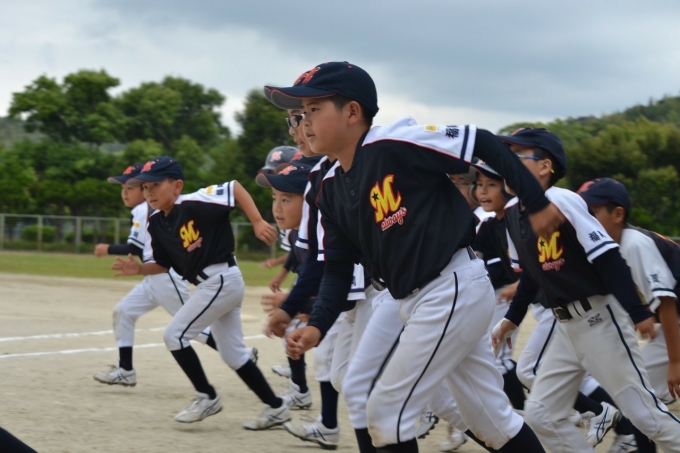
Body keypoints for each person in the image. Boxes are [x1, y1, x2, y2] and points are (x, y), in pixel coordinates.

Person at [264, 61, 562, 452]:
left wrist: (536, 202)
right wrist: (318, 324)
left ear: (352, 112)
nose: (303, 123)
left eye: (314, 109)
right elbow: (337, 268)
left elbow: (483, 141)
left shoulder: (392, 143)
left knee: (386, 412)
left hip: (451, 286)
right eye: (300, 113)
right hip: (418, 299)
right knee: (492, 423)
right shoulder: (330, 187)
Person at [491, 128, 680, 452]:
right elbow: (534, 275)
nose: (507, 163)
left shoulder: (561, 200)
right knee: (542, 414)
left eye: (517, 156)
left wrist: (637, 312)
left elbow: (607, 256)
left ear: (545, 166)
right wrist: (513, 317)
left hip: (600, 318)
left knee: (644, 415)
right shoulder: (512, 213)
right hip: (566, 328)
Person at [111, 156, 290, 429]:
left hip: (221, 280)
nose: (149, 192)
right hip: (214, 285)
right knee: (233, 355)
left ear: (177, 186)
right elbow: (163, 264)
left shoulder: (193, 202)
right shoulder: (156, 222)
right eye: (145, 187)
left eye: (156, 185)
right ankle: (276, 407)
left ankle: (207, 396)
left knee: (174, 335)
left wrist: (256, 221)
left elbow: (234, 187)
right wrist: (138, 270)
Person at [578, 177, 680, 452]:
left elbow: (667, 303)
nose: (585, 220)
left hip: (675, 323)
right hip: (671, 325)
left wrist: (675, 362)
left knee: (640, 399)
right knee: (640, 401)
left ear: (618, 214)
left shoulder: (633, 243)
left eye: (592, 212)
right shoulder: (610, 246)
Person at [93, 163, 208, 387]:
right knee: (124, 311)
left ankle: (240, 356)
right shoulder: (148, 209)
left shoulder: (143, 209)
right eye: (123, 188)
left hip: (166, 277)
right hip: (152, 278)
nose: (125, 193)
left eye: (130, 187)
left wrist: (107, 249)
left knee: (190, 327)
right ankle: (125, 370)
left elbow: (135, 248)